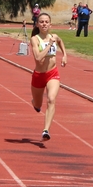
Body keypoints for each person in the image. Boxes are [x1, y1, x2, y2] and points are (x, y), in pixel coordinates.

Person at [30, 12, 67, 142]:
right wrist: (50, 45)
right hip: (39, 75)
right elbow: (38, 57)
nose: (44, 24)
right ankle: (34, 102)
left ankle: (46, 130)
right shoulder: (35, 39)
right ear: (37, 24)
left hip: (53, 73)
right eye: (41, 22)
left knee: (51, 99)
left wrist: (64, 55)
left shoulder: (54, 37)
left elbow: (60, 42)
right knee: (38, 104)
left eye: (46, 22)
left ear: (50, 24)